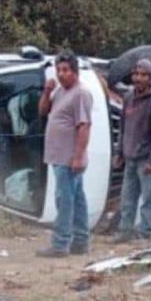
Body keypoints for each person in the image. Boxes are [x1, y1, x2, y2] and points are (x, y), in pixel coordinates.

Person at [36, 50, 93, 258]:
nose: (61, 74)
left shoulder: (81, 93)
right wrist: (47, 90)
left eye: (65, 70)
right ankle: (81, 242)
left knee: (64, 200)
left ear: (75, 71)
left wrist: (78, 156)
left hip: (69, 158)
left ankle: (60, 244)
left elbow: (84, 126)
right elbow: (43, 111)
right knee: (77, 200)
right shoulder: (60, 91)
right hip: (58, 156)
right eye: (58, 70)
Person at [112, 59, 151, 243]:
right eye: (136, 74)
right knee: (127, 197)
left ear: (150, 78)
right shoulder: (128, 98)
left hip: (145, 159)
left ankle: (146, 231)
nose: (138, 78)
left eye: (143, 75)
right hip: (129, 157)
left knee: (148, 198)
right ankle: (125, 231)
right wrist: (119, 152)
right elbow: (123, 127)